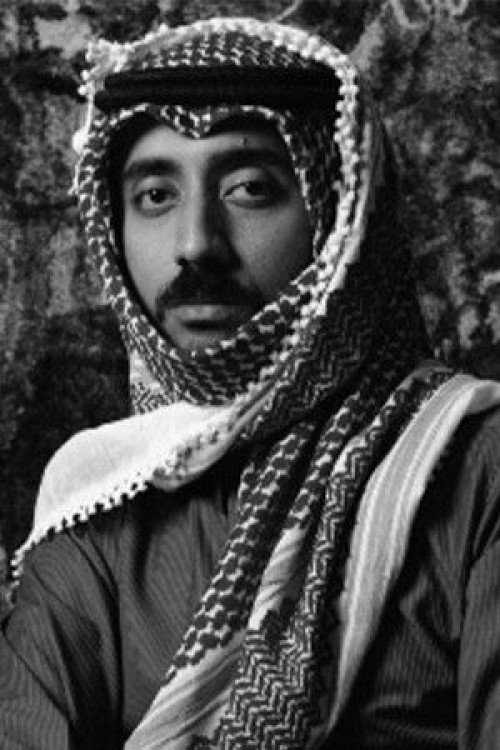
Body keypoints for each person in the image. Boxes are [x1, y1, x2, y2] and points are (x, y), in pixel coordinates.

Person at [1, 16, 500, 750]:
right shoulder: (94, 503)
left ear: (340, 217)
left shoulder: (477, 468)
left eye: (250, 189)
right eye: (155, 196)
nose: (195, 244)